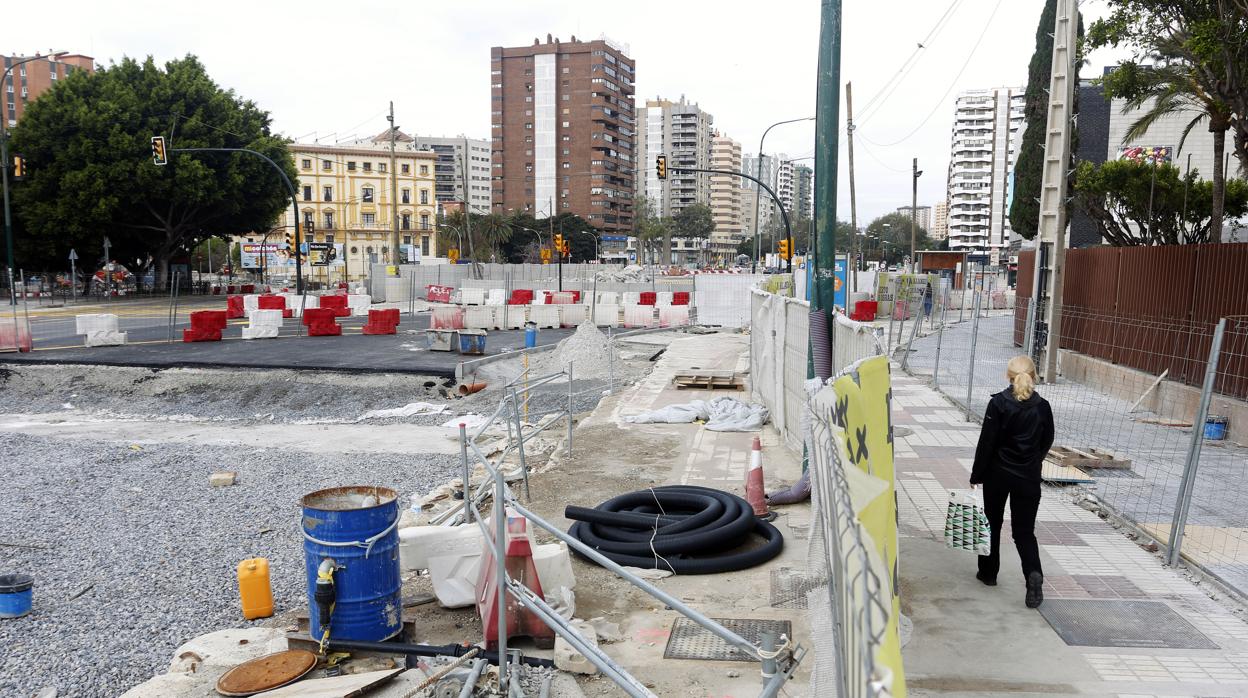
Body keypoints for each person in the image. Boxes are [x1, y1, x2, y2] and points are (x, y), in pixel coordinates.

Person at [969, 355, 1055, 608]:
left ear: (1008, 376)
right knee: (1024, 532)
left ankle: (988, 573)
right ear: (1034, 375)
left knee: (992, 523)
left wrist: (977, 475)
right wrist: (1033, 462)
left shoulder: (998, 404)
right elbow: (1047, 440)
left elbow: (987, 443)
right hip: (1028, 478)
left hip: (998, 475)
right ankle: (1033, 575)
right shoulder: (1043, 407)